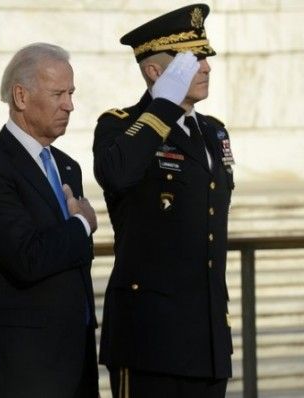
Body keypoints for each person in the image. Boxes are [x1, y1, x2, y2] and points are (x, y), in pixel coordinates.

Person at [93, 4, 235, 398]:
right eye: (191, 61)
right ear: (156, 72)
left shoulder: (213, 132)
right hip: (149, 341)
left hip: (206, 340)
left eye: (205, 57)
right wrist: (163, 108)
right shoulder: (120, 125)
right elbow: (116, 173)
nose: (206, 67)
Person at [0, 42, 99, 398]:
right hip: (23, 368)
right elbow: (27, 257)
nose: (69, 105)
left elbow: (73, 258)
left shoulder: (68, 166)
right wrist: (81, 225)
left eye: (71, 93)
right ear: (20, 96)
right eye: (58, 94)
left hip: (75, 360)